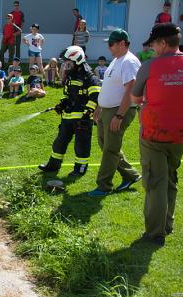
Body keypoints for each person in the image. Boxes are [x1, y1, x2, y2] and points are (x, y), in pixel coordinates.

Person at [131, 23, 183, 246]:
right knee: (170, 177)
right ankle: (167, 224)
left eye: (153, 44)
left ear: (163, 43)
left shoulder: (149, 66)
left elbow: (135, 98)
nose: (151, 48)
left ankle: (155, 233)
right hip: (179, 135)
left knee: (155, 182)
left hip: (154, 134)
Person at [88, 29, 142, 196]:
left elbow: (130, 89)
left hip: (119, 111)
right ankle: (130, 175)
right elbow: (109, 87)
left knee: (110, 148)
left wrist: (119, 115)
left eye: (111, 44)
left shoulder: (129, 62)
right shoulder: (116, 60)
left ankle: (104, 186)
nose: (109, 47)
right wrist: (100, 106)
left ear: (122, 43)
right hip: (108, 110)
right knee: (105, 145)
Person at [39, 46, 101, 176]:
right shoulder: (71, 75)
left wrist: (87, 115)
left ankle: (80, 169)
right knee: (60, 142)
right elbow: (70, 95)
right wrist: (63, 103)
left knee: (81, 145)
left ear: (77, 60)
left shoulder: (89, 77)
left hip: (82, 119)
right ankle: (53, 165)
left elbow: (95, 98)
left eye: (68, 62)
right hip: (68, 116)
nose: (66, 65)